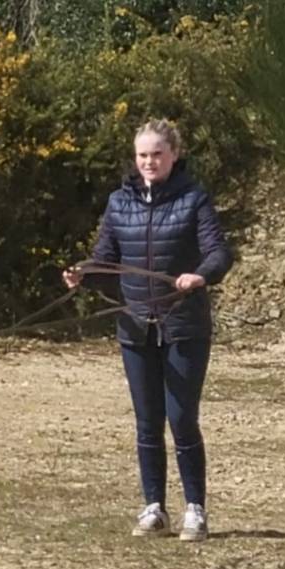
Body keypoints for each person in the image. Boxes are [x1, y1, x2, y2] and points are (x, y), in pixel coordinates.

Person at [63, 119, 233, 542]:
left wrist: (200, 276)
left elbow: (219, 253)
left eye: (157, 153)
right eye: (142, 155)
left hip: (184, 325)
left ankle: (195, 508)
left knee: (181, 418)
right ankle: (153, 507)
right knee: (147, 421)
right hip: (135, 326)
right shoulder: (119, 203)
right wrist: (84, 273)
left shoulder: (194, 198)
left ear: (173, 154)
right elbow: (107, 259)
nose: (149, 161)